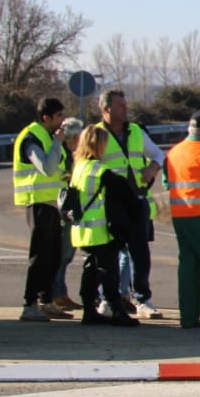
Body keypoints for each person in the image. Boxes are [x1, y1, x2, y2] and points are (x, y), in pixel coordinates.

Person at [94, 89, 165, 319]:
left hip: (137, 200)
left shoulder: (135, 131)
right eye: (120, 106)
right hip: (110, 203)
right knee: (108, 255)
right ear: (106, 109)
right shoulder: (96, 134)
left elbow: (158, 154)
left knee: (139, 254)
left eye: (125, 105)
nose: (125, 109)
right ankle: (107, 299)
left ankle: (142, 299)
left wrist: (152, 168)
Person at [67, 125, 139, 327]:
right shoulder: (99, 171)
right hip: (99, 231)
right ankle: (117, 311)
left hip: (82, 230)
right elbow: (125, 192)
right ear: (98, 145)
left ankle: (89, 311)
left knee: (90, 271)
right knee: (109, 273)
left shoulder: (78, 167)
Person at [13, 96, 73, 322]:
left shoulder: (48, 136)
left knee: (53, 254)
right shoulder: (31, 138)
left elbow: (60, 167)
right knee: (39, 255)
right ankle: (29, 304)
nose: (62, 120)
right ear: (46, 117)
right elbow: (47, 168)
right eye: (59, 116)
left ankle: (46, 301)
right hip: (38, 200)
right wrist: (58, 143)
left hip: (53, 203)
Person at [165, 109, 200, 330]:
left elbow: (165, 182)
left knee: (188, 265)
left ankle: (188, 317)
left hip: (180, 216)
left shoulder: (173, 152)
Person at [49, 116, 86, 312]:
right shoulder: (63, 152)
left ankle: (60, 293)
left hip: (69, 209)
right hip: (62, 208)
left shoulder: (71, 153)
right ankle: (56, 294)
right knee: (62, 255)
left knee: (67, 255)